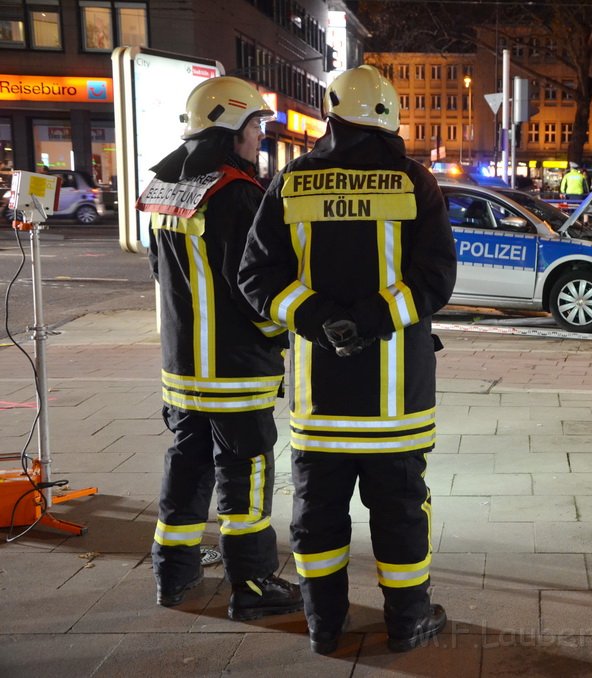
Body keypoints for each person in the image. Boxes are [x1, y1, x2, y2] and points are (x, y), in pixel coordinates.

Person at [238, 65, 457, 655]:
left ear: (331, 114)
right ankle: (409, 621)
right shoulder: (415, 182)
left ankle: (323, 624)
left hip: (320, 395)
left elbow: (257, 277)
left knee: (318, 513)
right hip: (396, 398)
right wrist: (368, 321)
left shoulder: (291, 182)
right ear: (389, 115)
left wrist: (319, 320)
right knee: (401, 511)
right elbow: (435, 278)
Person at [136, 76, 301, 619]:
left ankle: (172, 575)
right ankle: (252, 585)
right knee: (246, 476)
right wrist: (286, 336)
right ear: (231, 128)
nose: (259, 137)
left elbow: (161, 273)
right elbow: (256, 289)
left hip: (182, 372)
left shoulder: (163, 191)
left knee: (186, 469)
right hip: (234, 372)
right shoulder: (238, 195)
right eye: (254, 125)